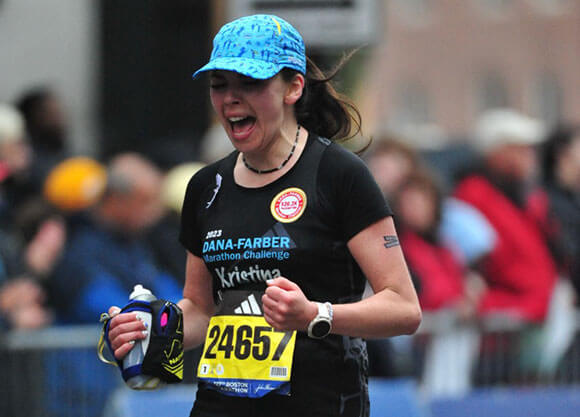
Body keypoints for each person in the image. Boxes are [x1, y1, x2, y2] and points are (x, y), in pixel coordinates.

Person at [106, 14, 421, 417]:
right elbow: (201, 308)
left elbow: (404, 308)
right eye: (219, 85)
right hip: (221, 405)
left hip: (319, 403)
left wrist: (314, 315)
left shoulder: (338, 175)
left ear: (293, 87)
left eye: (250, 82)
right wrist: (152, 329)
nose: (230, 99)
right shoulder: (205, 186)